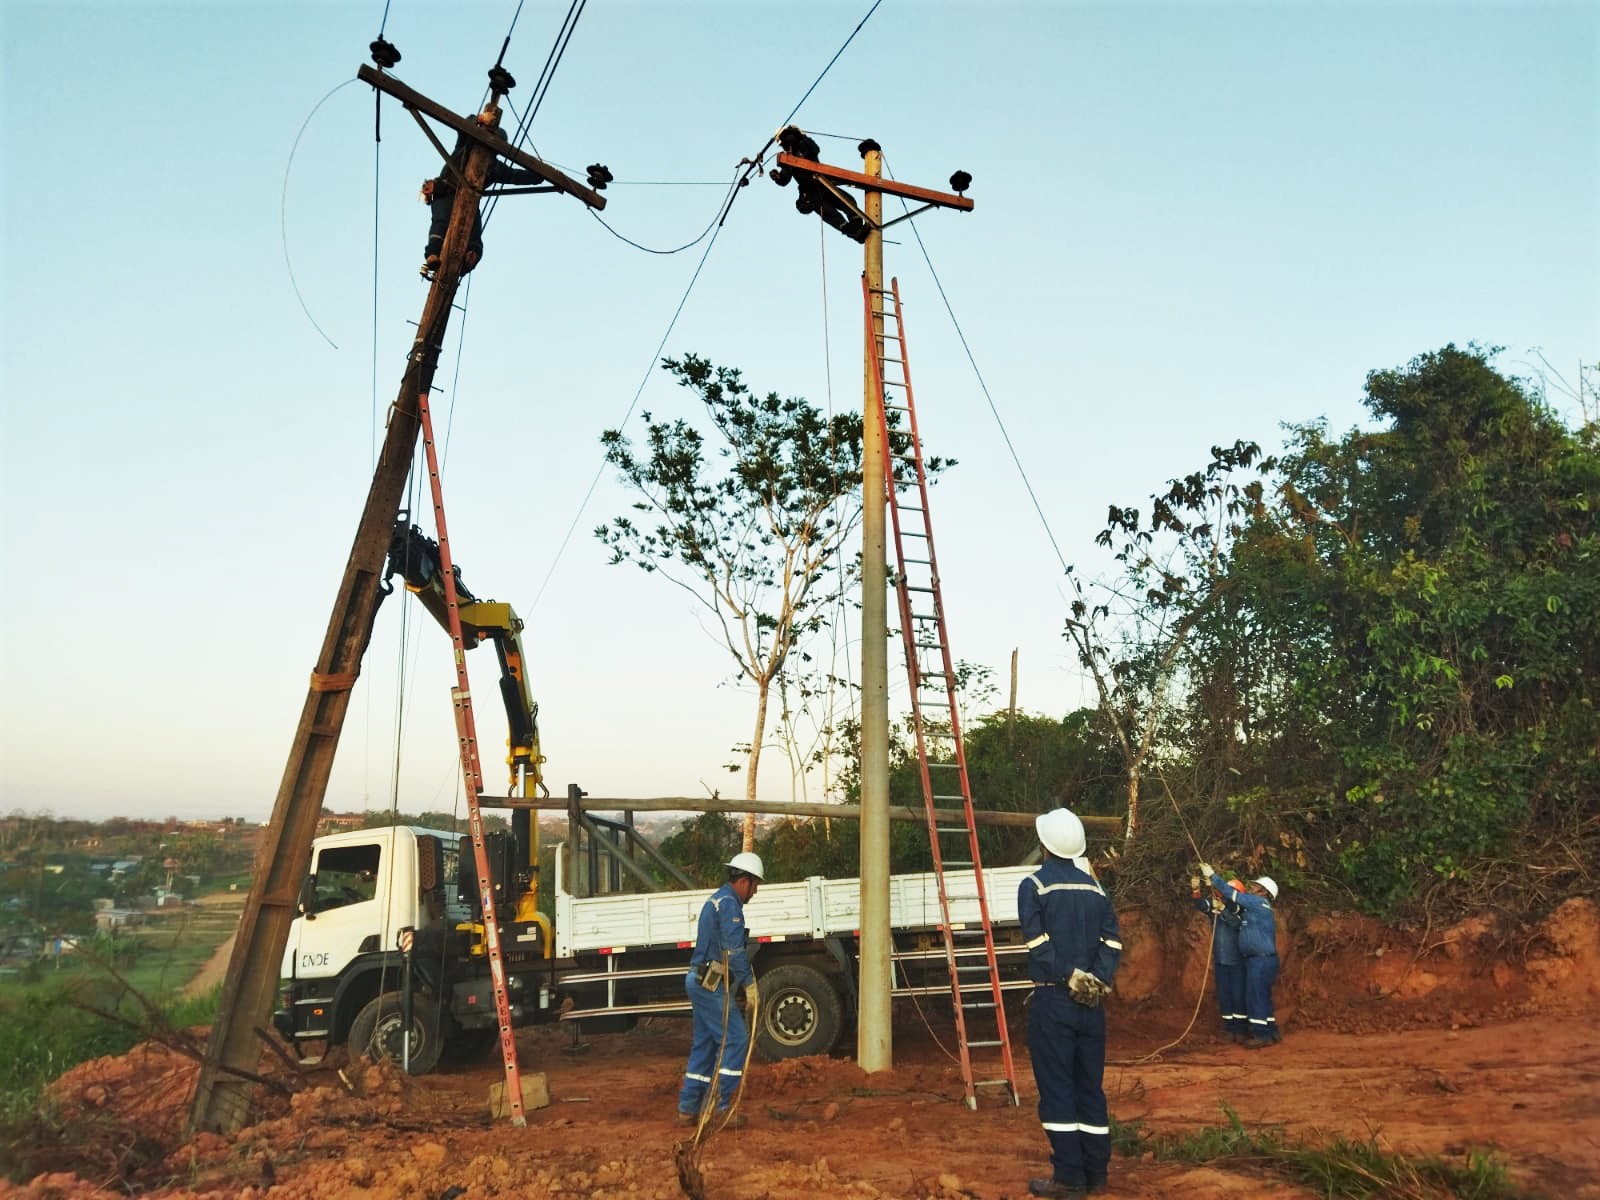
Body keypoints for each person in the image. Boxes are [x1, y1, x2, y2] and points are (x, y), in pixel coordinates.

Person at [1021, 808, 1122, 1199]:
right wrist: (1096, 978)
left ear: (1044, 845)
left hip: (1054, 998)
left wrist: (1068, 975)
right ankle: (1096, 1173)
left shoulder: (1034, 886)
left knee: (1058, 1088)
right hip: (1091, 1004)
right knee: (1089, 1087)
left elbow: (1037, 943)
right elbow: (1112, 942)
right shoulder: (1098, 890)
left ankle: (1069, 1179)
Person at [677, 851, 764, 1126]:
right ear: (744, 881)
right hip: (709, 983)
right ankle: (720, 1106)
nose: (755, 892)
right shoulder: (729, 904)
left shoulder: (718, 899)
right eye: (755, 885)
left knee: (705, 1043)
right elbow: (735, 950)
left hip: (700, 980)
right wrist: (750, 985)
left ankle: (688, 1108)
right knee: (736, 1039)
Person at [421, 111, 548, 278]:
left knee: (475, 240)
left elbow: (519, 176)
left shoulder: (495, 167)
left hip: (469, 201)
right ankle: (433, 255)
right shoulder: (465, 143)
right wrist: (480, 120)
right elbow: (465, 122)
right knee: (441, 221)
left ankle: (464, 264)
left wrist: (540, 172)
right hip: (446, 190)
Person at [1202, 865, 1280, 1048]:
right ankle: (1270, 1030)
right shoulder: (1253, 909)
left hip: (1260, 959)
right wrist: (1215, 891)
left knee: (1255, 996)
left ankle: (1262, 1035)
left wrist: (1213, 877)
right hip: (1262, 959)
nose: (1251, 888)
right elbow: (1234, 906)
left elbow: (1234, 895)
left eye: (1254, 887)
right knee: (1262, 995)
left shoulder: (1257, 903)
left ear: (1263, 892)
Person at [1189, 872, 1247, 1043]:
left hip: (1236, 960)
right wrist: (1196, 891)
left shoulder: (1240, 910)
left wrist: (1223, 911)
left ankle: (1241, 1030)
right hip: (1221, 959)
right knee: (1224, 995)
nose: (1222, 893)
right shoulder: (1215, 906)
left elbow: (1237, 923)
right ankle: (1229, 1030)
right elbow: (1201, 905)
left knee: (1238, 994)